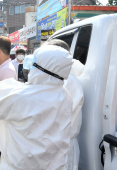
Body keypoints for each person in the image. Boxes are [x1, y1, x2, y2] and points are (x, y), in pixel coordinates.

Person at [0, 45, 73, 169]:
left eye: (33, 63)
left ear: (40, 68)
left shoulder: (21, 95)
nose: (29, 67)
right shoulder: (65, 95)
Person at [44, 39, 84, 170]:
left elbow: (51, 116)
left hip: (61, 146)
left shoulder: (67, 81)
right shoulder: (60, 78)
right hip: (56, 145)